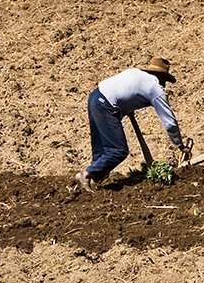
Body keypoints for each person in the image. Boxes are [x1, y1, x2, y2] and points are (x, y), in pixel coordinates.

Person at [75, 57, 191, 192]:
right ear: (159, 76)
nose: (164, 85)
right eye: (164, 80)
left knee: (101, 150)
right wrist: (181, 145)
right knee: (118, 151)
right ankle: (85, 174)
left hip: (95, 96)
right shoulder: (156, 88)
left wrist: (128, 109)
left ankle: (93, 181)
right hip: (106, 104)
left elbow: (125, 92)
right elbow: (170, 123)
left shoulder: (137, 74)